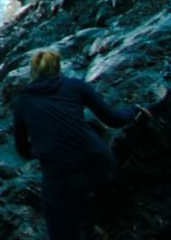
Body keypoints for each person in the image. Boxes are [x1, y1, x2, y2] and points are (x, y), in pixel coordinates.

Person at [12, 49, 148, 240]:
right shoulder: (75, 87)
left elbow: (22, 148)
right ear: (59, 68)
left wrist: (41, 150)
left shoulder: (22, 102)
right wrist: (134, 109)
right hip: (99, 163)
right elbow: (113, 119)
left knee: (60, 229)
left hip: (61, 174)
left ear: (32, 72)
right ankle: (95, 221)